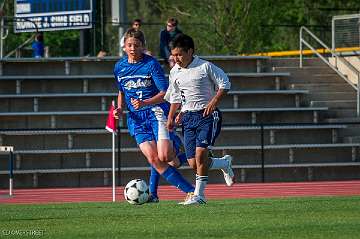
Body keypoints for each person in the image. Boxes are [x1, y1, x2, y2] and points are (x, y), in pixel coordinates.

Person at [113, 28, 193, 203]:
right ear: (124, 47)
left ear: (143, 46)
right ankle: (191, 191)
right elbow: (121, 91)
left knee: (165, 157)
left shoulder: (151, 64)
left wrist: (145, 103)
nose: (132, 48)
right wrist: (119, 108)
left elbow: (165, 92)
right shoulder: (119, 67)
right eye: (129, 45)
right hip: (136, 120)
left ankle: (176, 147)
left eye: (136, 45)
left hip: (156, 113)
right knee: (154, 158)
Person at [165, 34, 235, 205]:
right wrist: (171, 117)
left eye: (179, 54)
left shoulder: (205, 66)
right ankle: (224, 164)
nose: (176, 58)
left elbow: (225, 83)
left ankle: (199, 196)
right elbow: (175, 97)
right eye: (174, 55)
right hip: (188, 118)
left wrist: (214, 101)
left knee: (200, 154)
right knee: (194, 163)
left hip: (207, 116)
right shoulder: (174, 72)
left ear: (190, 51)